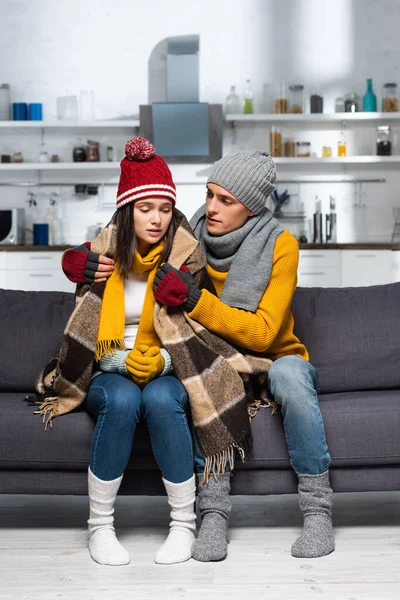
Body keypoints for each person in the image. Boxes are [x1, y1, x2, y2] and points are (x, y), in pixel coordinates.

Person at [152, 149, 334, 562]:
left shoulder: (280, 245)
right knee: (199, 374)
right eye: (210, 194)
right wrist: (95, 260)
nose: (211, 207)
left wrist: (197, 302)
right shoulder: (189, 233)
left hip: (274, 357)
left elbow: (265, 332)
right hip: (217, 357)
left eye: (225, 200)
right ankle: (212, 513)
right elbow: (139, 247)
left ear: (250, 207)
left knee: (288, 376)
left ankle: (318, 512)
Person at [31, 137, 197, 567]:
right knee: (121, 399)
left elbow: (200, 328)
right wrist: (74, 263)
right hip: (108, 364)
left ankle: (184, 525)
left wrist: (165, 360)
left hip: (168, 365)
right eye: (145, 208)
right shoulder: (104, 253)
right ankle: (100, 528)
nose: (156, 219)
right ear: (128, 210)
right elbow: (74, 264)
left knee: (161, 399)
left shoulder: (187, 256)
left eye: (164, 208)